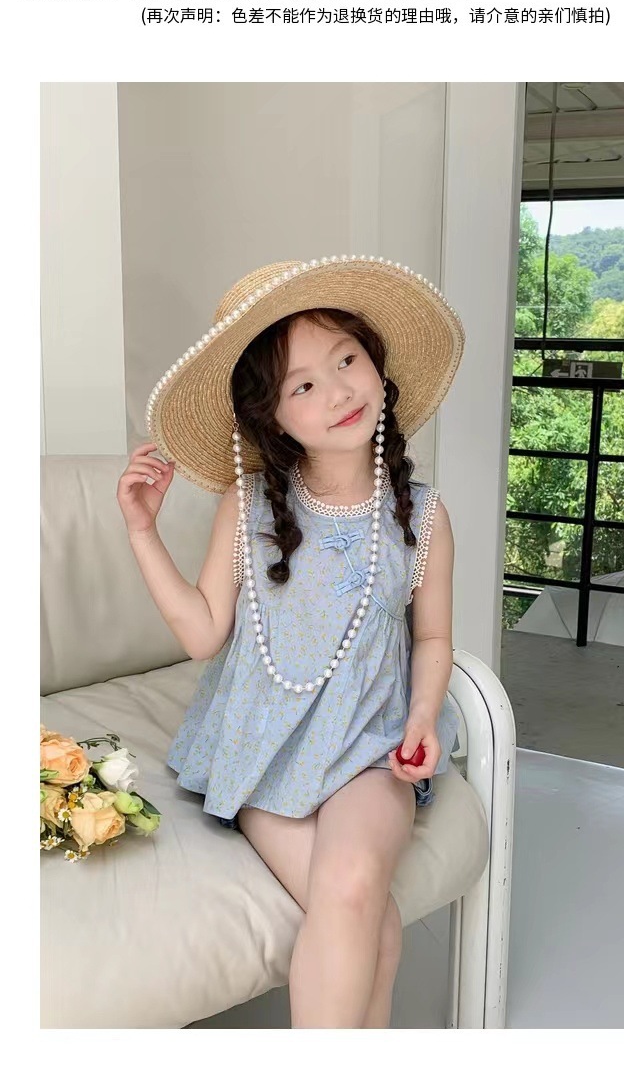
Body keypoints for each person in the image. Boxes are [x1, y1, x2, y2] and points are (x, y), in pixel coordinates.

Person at [117, 254, 465, 1028]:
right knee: (374, 928)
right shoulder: (247, 505)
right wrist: (142, 532)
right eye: (302, 385)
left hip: (370, 746)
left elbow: (435, 636)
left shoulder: (424, 516)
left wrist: (422, 716)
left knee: (352, 883)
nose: (337, 390)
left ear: (377, 365)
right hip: (263, 750)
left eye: (346, 359)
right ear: (272, 417)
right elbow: (203, 632)